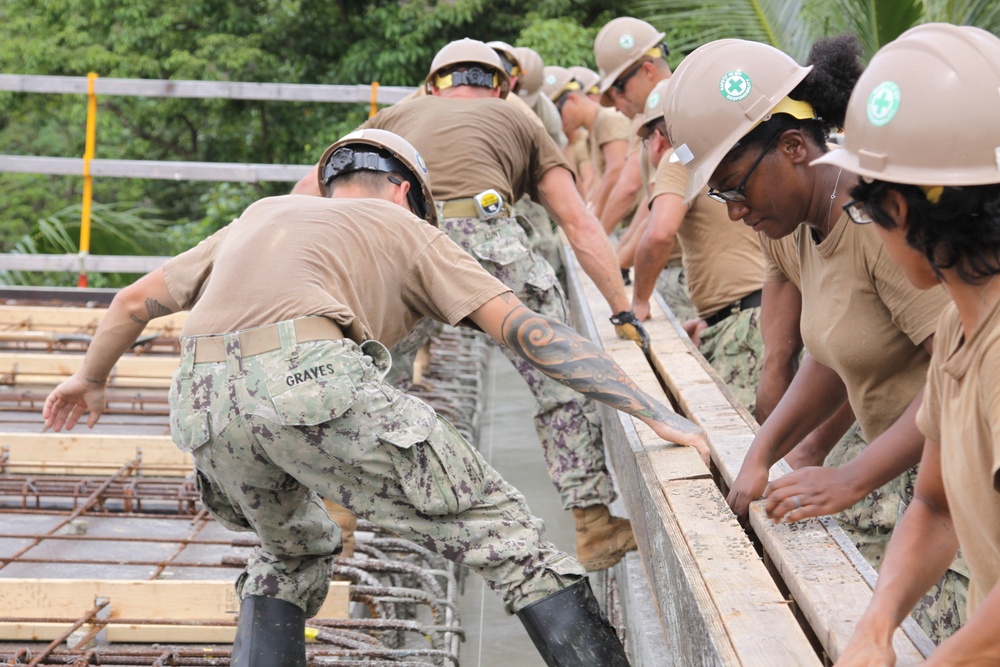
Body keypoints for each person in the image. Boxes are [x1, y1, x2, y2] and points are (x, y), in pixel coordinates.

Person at [42, 129, 708, 667]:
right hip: (307, 378)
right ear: (405, 190)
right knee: (506, 534)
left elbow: (132, 301)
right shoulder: (407, 227)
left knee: (290, 554)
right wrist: (654, 410)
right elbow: (530, 332)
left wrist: (89, 378)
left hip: (201, 401)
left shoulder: (263, 214)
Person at [292, 39, 652, 573]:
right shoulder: (518, 114)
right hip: (492, 250)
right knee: (557, 376)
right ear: (502, 82)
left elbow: (303, 197)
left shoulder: (395, 116)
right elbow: (576, 221)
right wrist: (622, 308)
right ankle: (593, 524)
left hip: (405, 247)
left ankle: (337, 519)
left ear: (432, 83)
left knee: (365, 380)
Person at [662, 35, 967, 641]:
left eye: (733, 187)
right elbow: (835, 355)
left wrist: (852, 477)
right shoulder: (795, 225)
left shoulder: (881, 219)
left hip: (958, 483)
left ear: (794, 148)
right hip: (915, 476)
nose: (733, 211)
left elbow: (961, 378)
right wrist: (765, 454)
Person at [809, 24, 1000, 666]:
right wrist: (877, 625)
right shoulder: (957, 330)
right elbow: (936, 506)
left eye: (868, 210)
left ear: (900, 207)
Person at [634, 79, 765, 413]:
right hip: (757, 311)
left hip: (744, 324)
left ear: (658, 138)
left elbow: (659, 232)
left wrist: (638, 302)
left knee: (738, 443)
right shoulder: (724, 147)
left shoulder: (679, 157)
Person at [594, 16, 695, 322]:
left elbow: (649, 212)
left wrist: (612, 263)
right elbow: (651, 205)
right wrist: (614, 261)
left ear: (648, 70)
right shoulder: (652, 120)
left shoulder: (678, 115)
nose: (615, 103)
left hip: (684, 274)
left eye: (619, 89)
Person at [541, 65, 630, 220]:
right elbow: (600, 180)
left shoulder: (608, 118)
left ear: (572, 99)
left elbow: (617, 171)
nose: (558, 123)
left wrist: (596, 219)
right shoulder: (592, 134)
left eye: (557, 114)